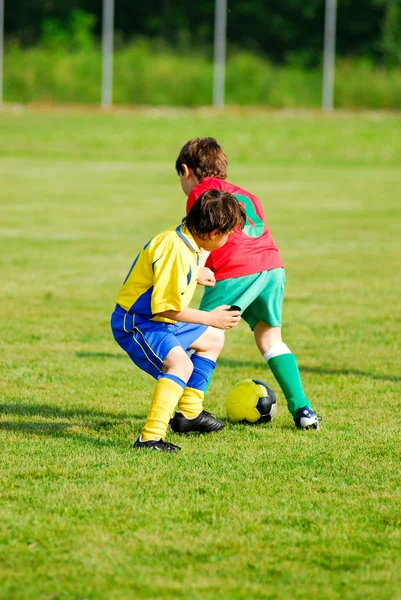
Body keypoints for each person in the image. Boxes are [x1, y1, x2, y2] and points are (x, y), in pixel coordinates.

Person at [175, 137, 320, 430]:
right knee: (270, 340)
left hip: (236, 270)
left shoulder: (201, 193)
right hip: (272, 267)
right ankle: (303, 410)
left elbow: (205, 235)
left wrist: (198, 269)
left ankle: (187, 410)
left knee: (205, 337)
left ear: (186, 171)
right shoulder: (248, 195)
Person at [111, 189, 246, 453]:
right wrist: (210, 317)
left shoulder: (186, 239)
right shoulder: (176, 250)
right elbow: (166, 309)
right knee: (180, 364)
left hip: (157, 319)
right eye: (228, 234)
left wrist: (195, 272)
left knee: (213, 338)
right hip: (139, 323)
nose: (228, 239)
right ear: (214, 233)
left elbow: (163, 274)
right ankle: (149, 438)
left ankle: (189, 415)